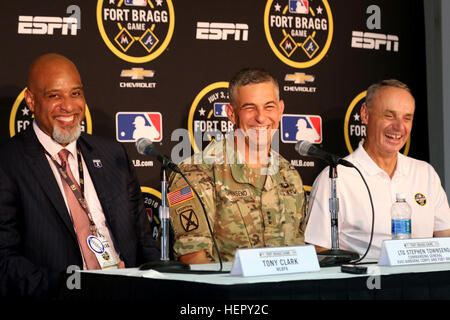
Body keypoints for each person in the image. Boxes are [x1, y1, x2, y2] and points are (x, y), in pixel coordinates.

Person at [0, 53, 159, 298]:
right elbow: (4, 260)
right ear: (30, 101)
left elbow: (143, 239)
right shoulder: (9, 162)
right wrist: (76, 285)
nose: (69, 106)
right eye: (54, 95)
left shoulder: (112, 153)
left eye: (76, 93)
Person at [168, 68, 307, 264]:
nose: (261, 117)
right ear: (231, 114)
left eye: (269, 107)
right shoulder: (194, 172)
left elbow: (301, 249)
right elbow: (193, 257)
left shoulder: (289, 174)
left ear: (280, 109)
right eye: (250, 108)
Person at [305, 79, 450, 259]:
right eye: (389, 116)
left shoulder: (425, 174)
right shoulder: (335, 178)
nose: (399, 127)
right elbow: (318, 252)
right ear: (365, 115)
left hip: (421, 284)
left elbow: (446, 239)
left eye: (407, 118)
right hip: (365, 285)